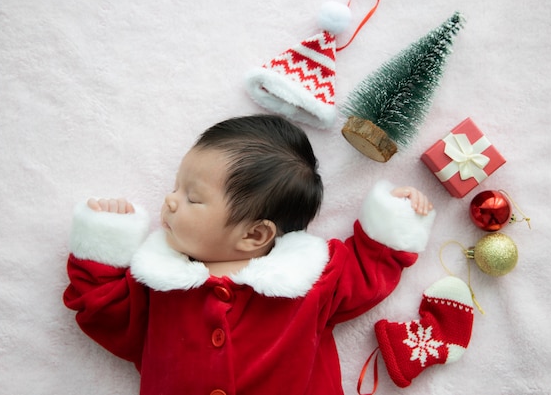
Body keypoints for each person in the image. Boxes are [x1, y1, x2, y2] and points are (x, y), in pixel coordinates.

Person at [63, 114, 435, 395]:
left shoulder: (311, 278)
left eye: (192, 197)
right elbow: (104, 312)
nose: (170, 201)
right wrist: (103, 243)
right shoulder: (157, 285)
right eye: (176, 187)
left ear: (255, 233)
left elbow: (367, 273)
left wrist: (394, 221)